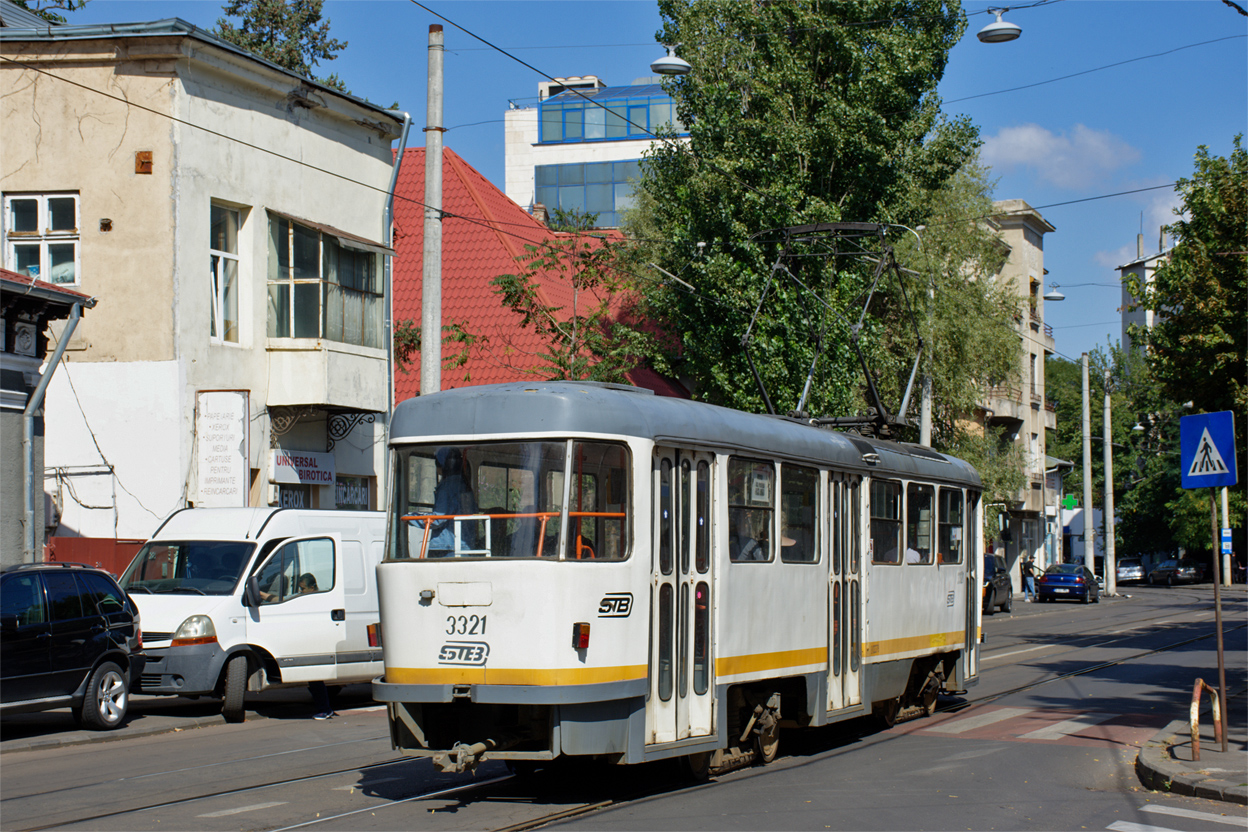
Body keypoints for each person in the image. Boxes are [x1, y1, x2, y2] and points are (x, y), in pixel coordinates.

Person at [293, 574, 335, 720]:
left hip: (317, 641)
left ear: (312, 587)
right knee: (314, 678)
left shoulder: (316, 599)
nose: (300, 592)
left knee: (315, 677)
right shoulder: (310, 598)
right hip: (312, 640)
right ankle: (324, 706)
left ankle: (325, 708)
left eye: (302, 588)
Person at [426, 447, 477, 556]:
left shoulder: (446, 487)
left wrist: (414, 519)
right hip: (465, 546)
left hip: (445, 547)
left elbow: (438, 518)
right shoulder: (465, 486)